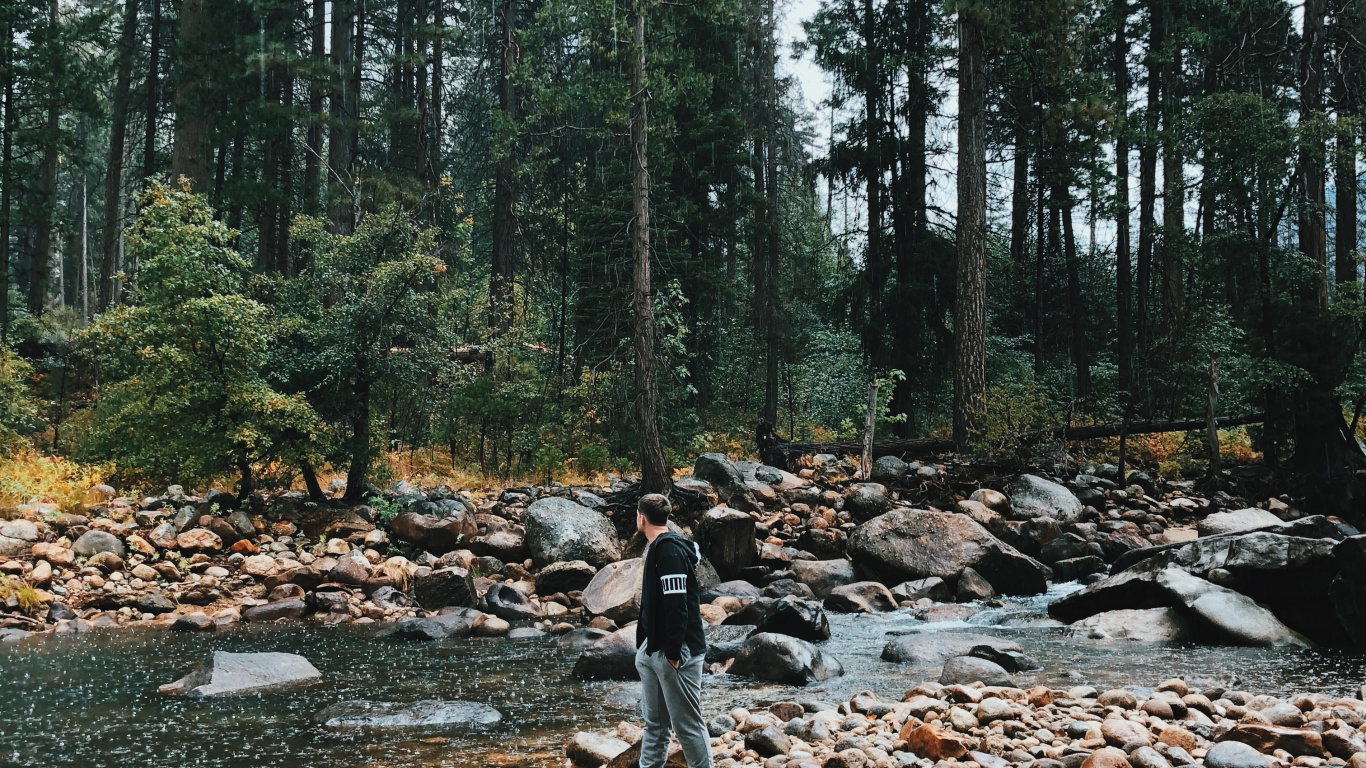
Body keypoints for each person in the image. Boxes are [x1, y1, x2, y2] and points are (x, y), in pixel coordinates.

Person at [634, 493, 712, 768]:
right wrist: (644, 648)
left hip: (677, 653)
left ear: (641, 518)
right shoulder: (658, 548)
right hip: (654, 650)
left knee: (688, 726)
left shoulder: (669, 551)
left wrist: (674, 655)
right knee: (655, 725)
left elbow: (677, 605)